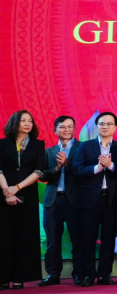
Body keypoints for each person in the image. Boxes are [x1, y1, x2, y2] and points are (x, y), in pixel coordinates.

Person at [69, 111, 117, 287]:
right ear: (97, 126)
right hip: (89, 200)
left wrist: (110, 165)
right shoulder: (85, 146)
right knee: (87, 239)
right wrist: (97, 168)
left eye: (109, 124)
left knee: (109, 238)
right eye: (102, 124)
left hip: (112, 200)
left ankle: (105, 274)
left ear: (115, 127)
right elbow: (76, 169)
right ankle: (88, 275)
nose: (105, 127)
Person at [0, 111, 47, 290]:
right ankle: (3, 277)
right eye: (23, 121)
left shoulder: (38, 144)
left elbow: (39, 171)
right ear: (14, 123)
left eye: (30, 121)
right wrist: (7, 192)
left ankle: (20, 277)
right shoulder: (2, 144)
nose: (28, 124)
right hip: (3, 193)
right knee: (4, 236)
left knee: (24, 236)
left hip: (28, 194)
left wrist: (17, 188)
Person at [39, 115, 82, 286]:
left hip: (75, 201)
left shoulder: (83, 148)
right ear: (55, 130)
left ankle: (79, 274)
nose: (67, 130)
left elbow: (84, 172)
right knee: (52, 241)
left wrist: (67, 164)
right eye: (62, 127)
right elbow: (42, 176)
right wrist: (56, 168)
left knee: (78, 240)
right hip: (52, 200)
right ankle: (53, 274)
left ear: (74, 129)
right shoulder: (48, 151)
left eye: (70, 126)